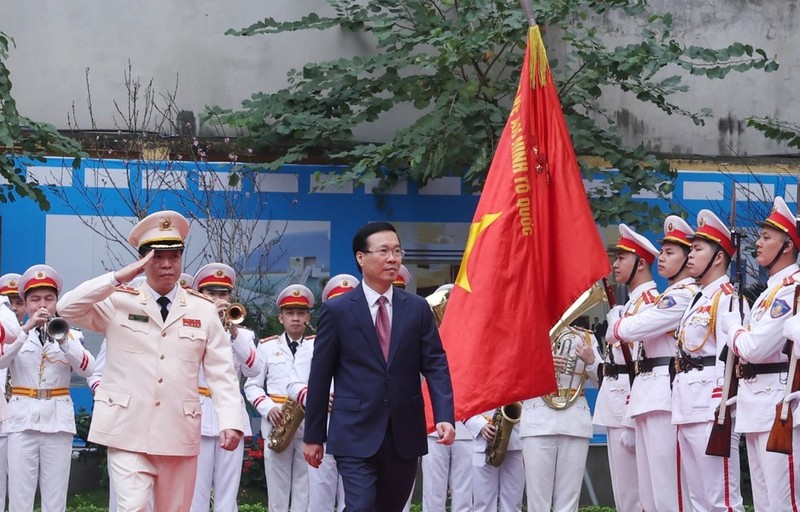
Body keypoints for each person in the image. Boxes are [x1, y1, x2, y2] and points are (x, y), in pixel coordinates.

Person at [57, 209, 245, 512]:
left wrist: (231, 421)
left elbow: (221, 372)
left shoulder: (203, 310)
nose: (167, 265)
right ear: (143, 260)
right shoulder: (119, 299)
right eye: (157, 256)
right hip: (126, 428)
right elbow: (67, 308)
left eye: (174, 256)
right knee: (132, 507)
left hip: (178, 430)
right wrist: (117, 278)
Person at [303, 221, 456, 512]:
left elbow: (435, 364)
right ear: (361, 257)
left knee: (389, 507)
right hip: (354, 432)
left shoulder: (416, 308)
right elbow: (320, 376)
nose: (392, 258)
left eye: (397, 251)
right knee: (361, 506)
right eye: (383, 251)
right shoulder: (338, 310)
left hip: (404, 433)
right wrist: (314, 436)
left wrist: (444, 415)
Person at [606, 217, 697, 512]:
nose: (662, 258)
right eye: (664, 251)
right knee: (649, 494)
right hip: (648, 394)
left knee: (668, 492)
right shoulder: (667, 297)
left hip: (665, 395)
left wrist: (616, 323)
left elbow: (632, 329)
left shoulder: (682, 296)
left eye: (671, 253)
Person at [720, 196, 800, 511]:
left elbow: (754, 348)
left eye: (768, 237)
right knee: (765, 503)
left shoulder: (791, 290)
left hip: (778, 405)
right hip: (758, 405)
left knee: (784, 503)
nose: (759, 242)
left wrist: (733, 328)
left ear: (788, 246)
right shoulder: (770, 293)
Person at [0, 265, 90, 512]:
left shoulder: (72, 336)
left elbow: (88, 368)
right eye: (35, 299)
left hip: (58, 423)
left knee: (55, 498)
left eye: (49, 299)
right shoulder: (15, 335)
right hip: (21, 422)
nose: (42, 305)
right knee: (20, 497)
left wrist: (63, 340)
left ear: (56, 302)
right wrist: (24, 331)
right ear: (26, 304)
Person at [672, 209, 745, 511]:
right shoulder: (697, 297)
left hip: (712, 408)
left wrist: (721, 404)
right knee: (699, 500)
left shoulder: (728, 297)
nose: (690, 255)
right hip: (687, 404)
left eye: (698, 249)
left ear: (718, 257)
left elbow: (730, 356)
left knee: (722, 500)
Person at [593, 224, 658, 512]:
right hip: (616, 403)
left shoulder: (649, 305)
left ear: (641, 264)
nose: (615, 264)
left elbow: (644, 366)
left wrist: (632, 419)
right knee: (624, 495)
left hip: (630, 407)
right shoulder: (630, 305)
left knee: (639, 495)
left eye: (622, 258)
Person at [190, 263, 260, 512]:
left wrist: (232, 331)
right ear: (199, 295)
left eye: (223, 294)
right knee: (195, 494)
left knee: (227, 496)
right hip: (197, 416)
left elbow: (254, 369)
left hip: (231, 418)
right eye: (211, 293)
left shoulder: (243, 335)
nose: (218, 300)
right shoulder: (189, 329)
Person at [287, 274, 358, 512]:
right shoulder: (310, 344)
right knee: (320, 500)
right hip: (323, 429)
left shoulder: (370, 344)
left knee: (355, 499)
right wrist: (313, 396)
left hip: (358, 431)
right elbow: (293, 383)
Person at [244, 284, 315, 512]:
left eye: (301, 313)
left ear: (308, 316)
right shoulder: (266, 347)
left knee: (306, 488)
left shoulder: (319, 345)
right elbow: (253, 386)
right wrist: (267, 408)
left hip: (308, 422)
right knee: (277, 488)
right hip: (278, 423)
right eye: (290, 313)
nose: (295, 318)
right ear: (281, 317)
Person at [520, 322, 601, 512]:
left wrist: (592, 361)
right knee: (537, 500)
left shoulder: (585, 337)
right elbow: (513, 376)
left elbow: (602, 381)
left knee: (569, 500)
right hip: (538, 419)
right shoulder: (528, 334)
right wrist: (540, 363)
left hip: (574, 420)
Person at [421, 284, 473, 512]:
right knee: (433, 493)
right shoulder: (427, 338)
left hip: (467, 424)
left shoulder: (474, 340)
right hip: (433, 423)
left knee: (464, 494)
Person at [464, 404, 525, 512]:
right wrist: (479, 424)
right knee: (483, 504)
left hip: (516, 438)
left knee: (513, 503)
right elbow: (464, 398)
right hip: (484, 439)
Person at [0, 273, 22, 512]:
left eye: (19, 302)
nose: (15, 309)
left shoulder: (38, 335)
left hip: (22, 422)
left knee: (20, 494)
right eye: (9, 303)